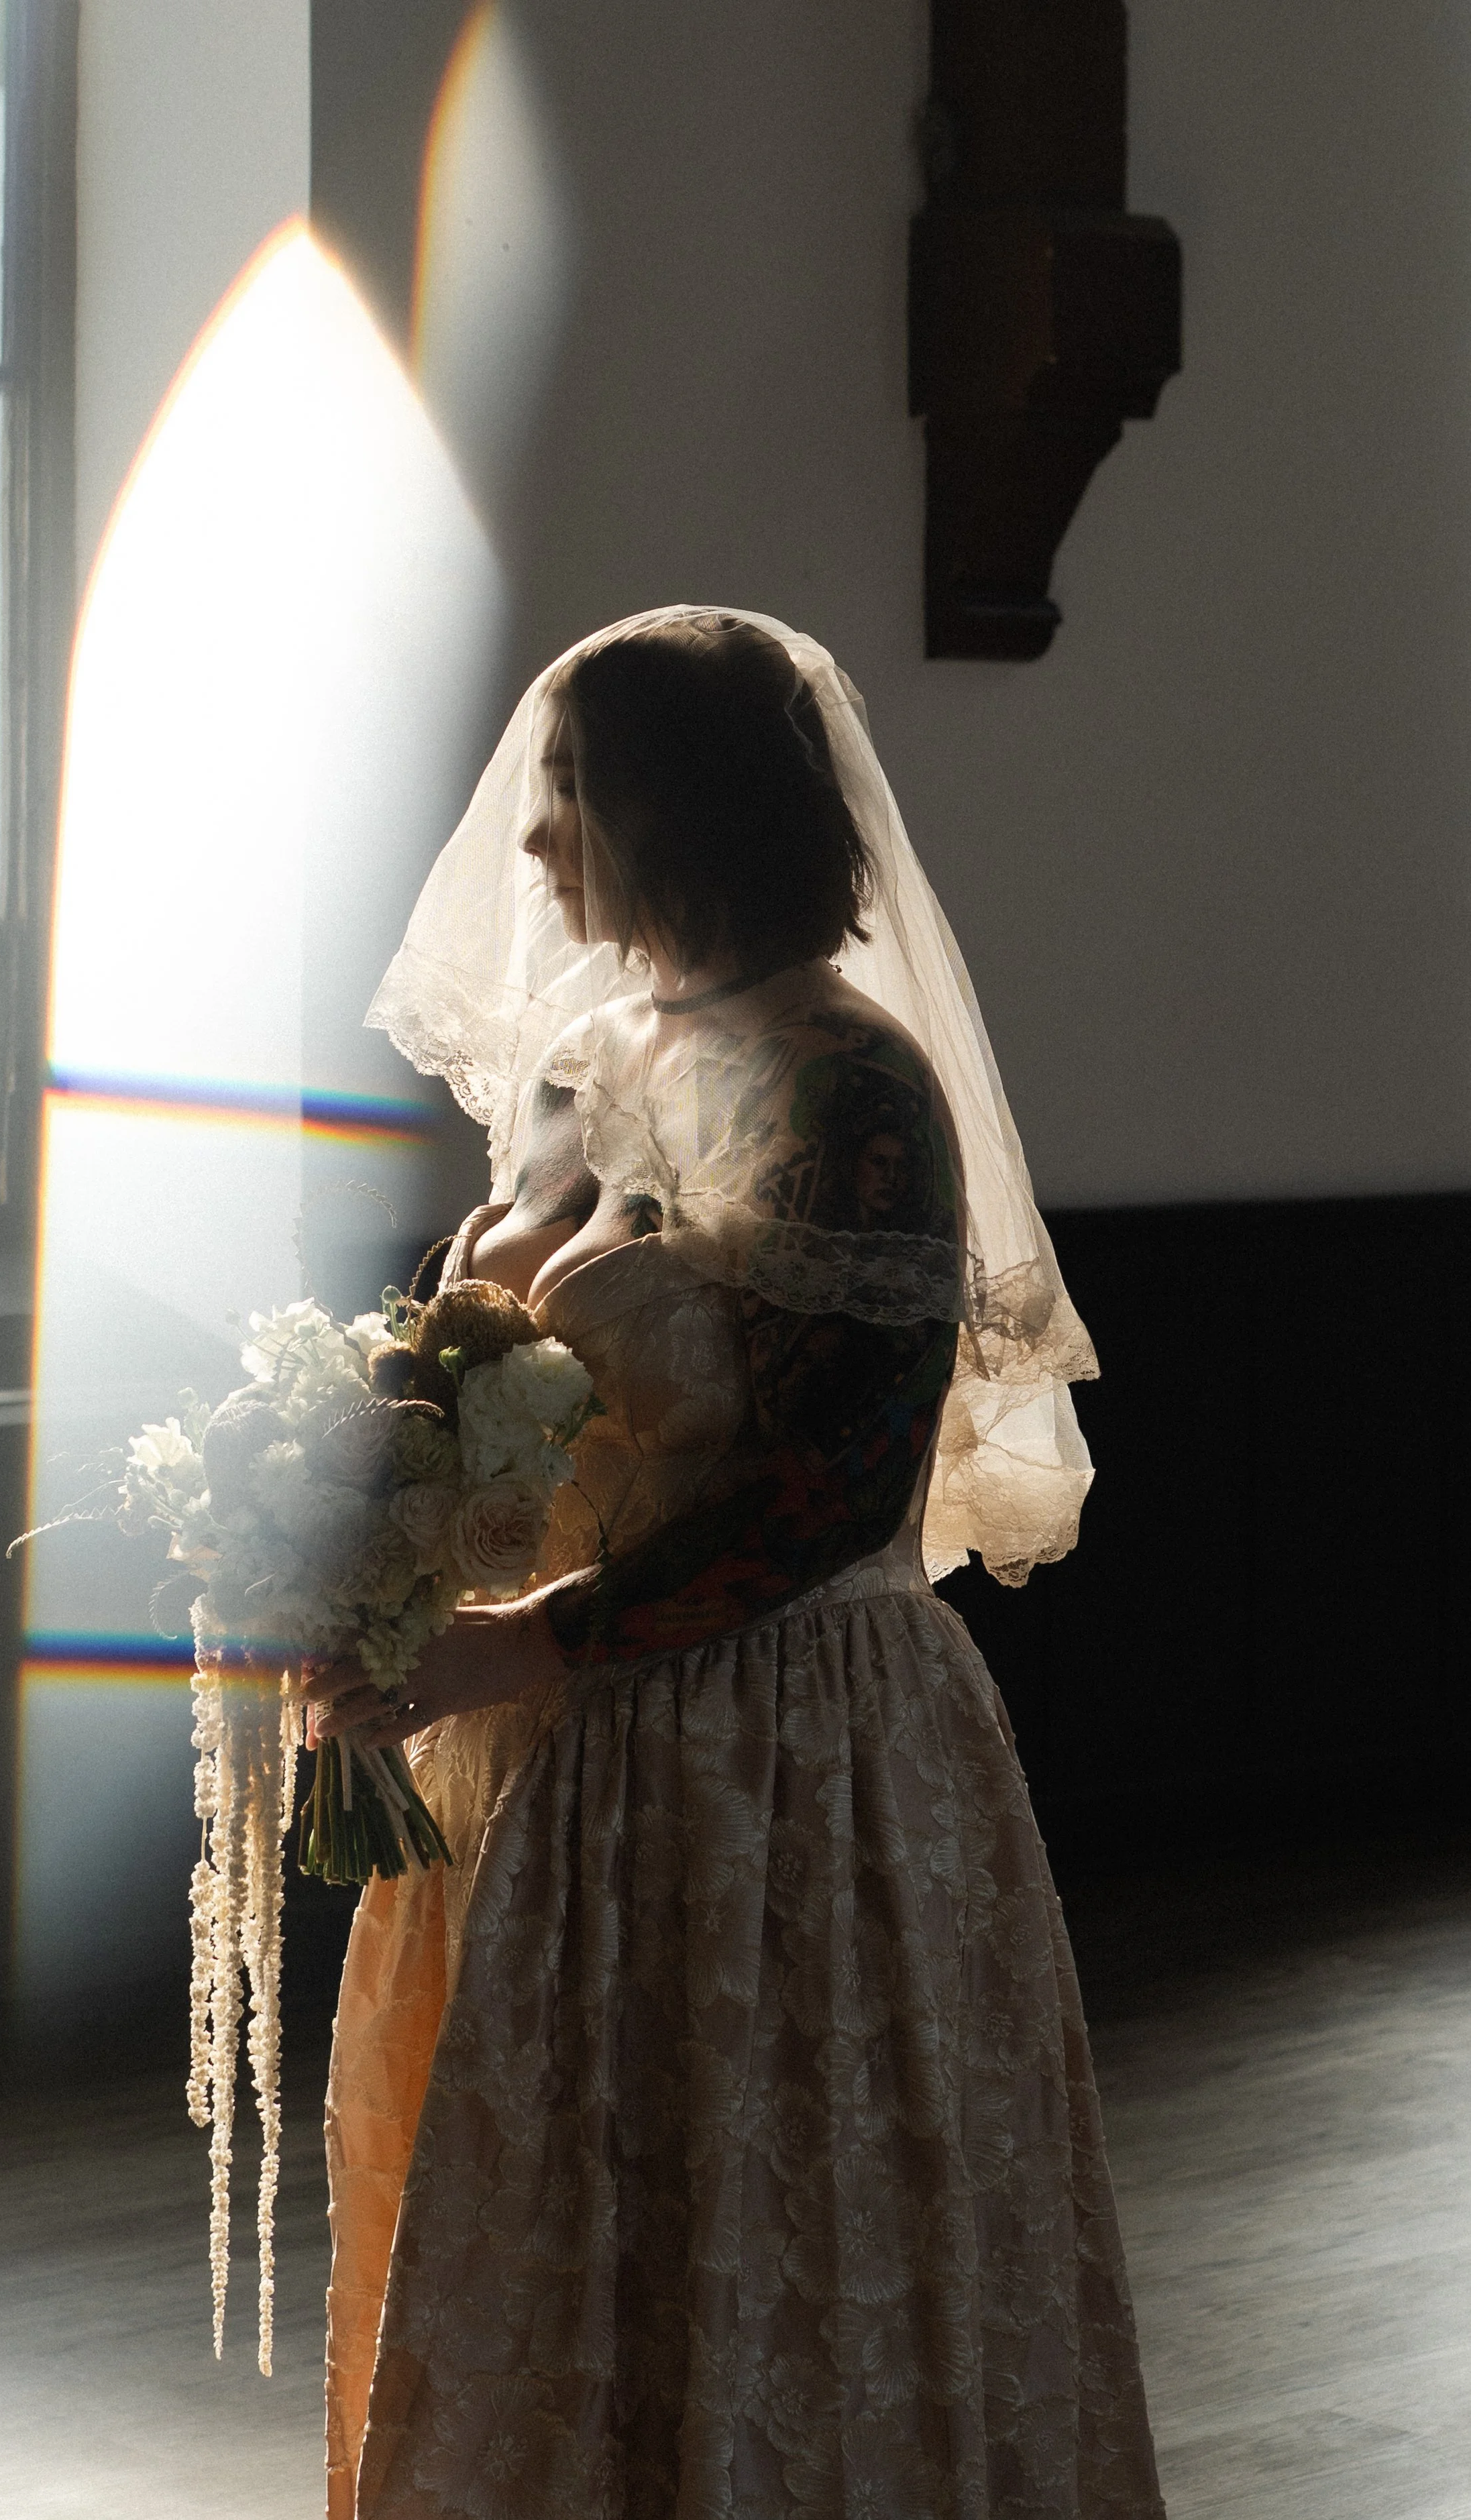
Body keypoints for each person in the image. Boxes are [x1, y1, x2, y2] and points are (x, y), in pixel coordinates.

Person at [307, 609, 1164, 2519]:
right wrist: (366, 1553)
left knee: (767, 2210)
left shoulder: (854, 1091)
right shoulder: (591, 1059)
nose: (536, 839)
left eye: (571, 791)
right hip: (551, 1741)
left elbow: (832, 1488)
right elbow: (483, 1349)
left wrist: (517, 1640)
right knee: (562, 2214)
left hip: (777, 1744)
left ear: (684, 809)